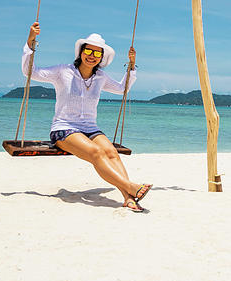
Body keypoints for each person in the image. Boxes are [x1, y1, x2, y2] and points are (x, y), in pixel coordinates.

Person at [23, 21, 151, 212]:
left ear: (102, 57)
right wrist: (31, 41)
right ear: (81, 52)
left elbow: (122, 89)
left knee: (111, 153)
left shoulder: (101, 77)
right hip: (64, 128)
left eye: (97, 53)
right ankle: (131, 187)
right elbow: (30, 72)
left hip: (90, 128)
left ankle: (128, 197)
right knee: (97, 153)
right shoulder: (63, 71)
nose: (92, 56)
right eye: (88, 51)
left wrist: (131, 66)